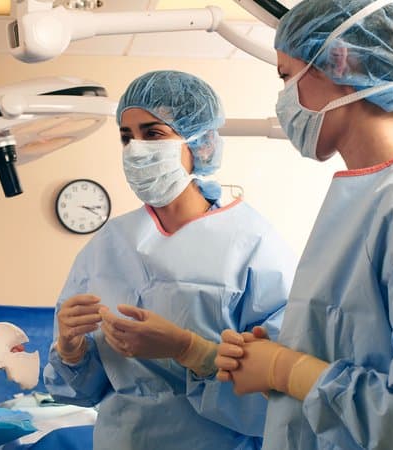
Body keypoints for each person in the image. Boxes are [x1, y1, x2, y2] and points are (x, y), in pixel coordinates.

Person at [214, 1, 393, 449]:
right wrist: (279, 349)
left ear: (340, 61)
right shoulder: (366, 196)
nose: (284, 97)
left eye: (285, 75)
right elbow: (357, 342)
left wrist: (288, 370)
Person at [43, 70, 297, 449]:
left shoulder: (253, 244)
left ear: (203, 145)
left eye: (153, 134)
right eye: (126, 137)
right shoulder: (108, 244)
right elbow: (82, 391)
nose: (135, 148)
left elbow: (278, 394)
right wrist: (71, 349)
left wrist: (188, 351)